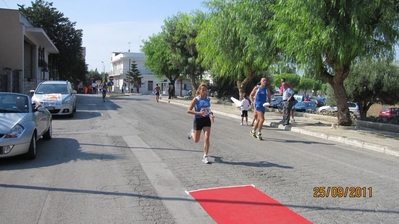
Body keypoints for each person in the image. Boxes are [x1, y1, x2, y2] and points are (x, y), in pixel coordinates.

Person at [187, 82, 215, 164]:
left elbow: (208, 109)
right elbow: (188, 110)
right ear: (199, 90)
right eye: (202, 90)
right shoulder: (196, 99)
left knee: (206, 138)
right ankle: (192, 133)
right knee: (196, 140)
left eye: (205, 90)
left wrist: (211, 114)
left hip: (206, 120)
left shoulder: (208, 99)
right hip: (198, 120)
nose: (204, 91)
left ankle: (205, 156)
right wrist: (199, 113)